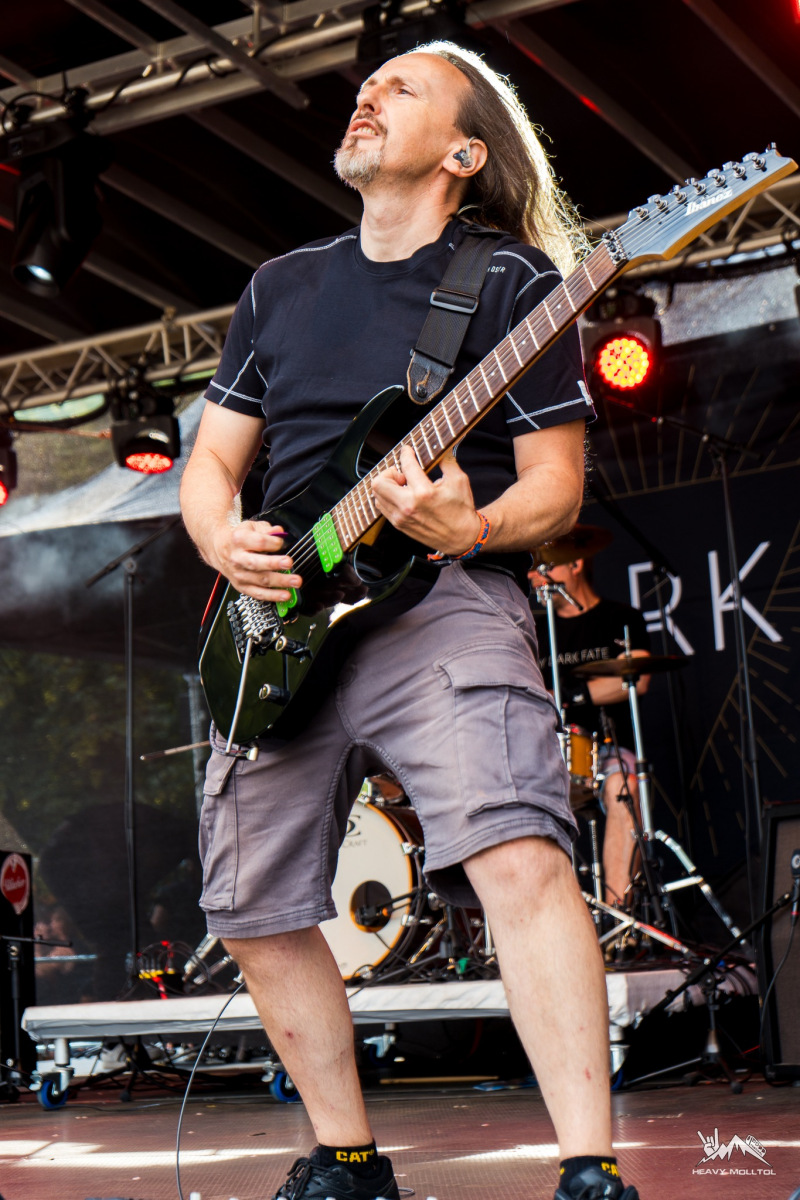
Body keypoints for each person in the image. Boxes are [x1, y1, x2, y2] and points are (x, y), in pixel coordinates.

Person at [180, 42, 640, 1200]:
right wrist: (221, 540)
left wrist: (468, 525)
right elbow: (211, 468)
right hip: (280, 615)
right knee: (249, 904)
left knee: (516, 849)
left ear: (464, 151)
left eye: (401, 87)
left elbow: (555, 492)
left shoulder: (515, 282)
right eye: (365, 85)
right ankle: (343, 1158)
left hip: (439, 596)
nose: (366, 95)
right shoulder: (279, 286)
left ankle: (587, 1167)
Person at [529, 555, 651, 905]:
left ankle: (618, 917)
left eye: (545, 567)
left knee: (625, 786)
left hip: (606, 749)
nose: (534, 576)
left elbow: (637, 679)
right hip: (541, 754)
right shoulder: (532, 630)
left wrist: (567, 695)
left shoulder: (620, 618)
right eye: (532, 569)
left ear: (576, 563)